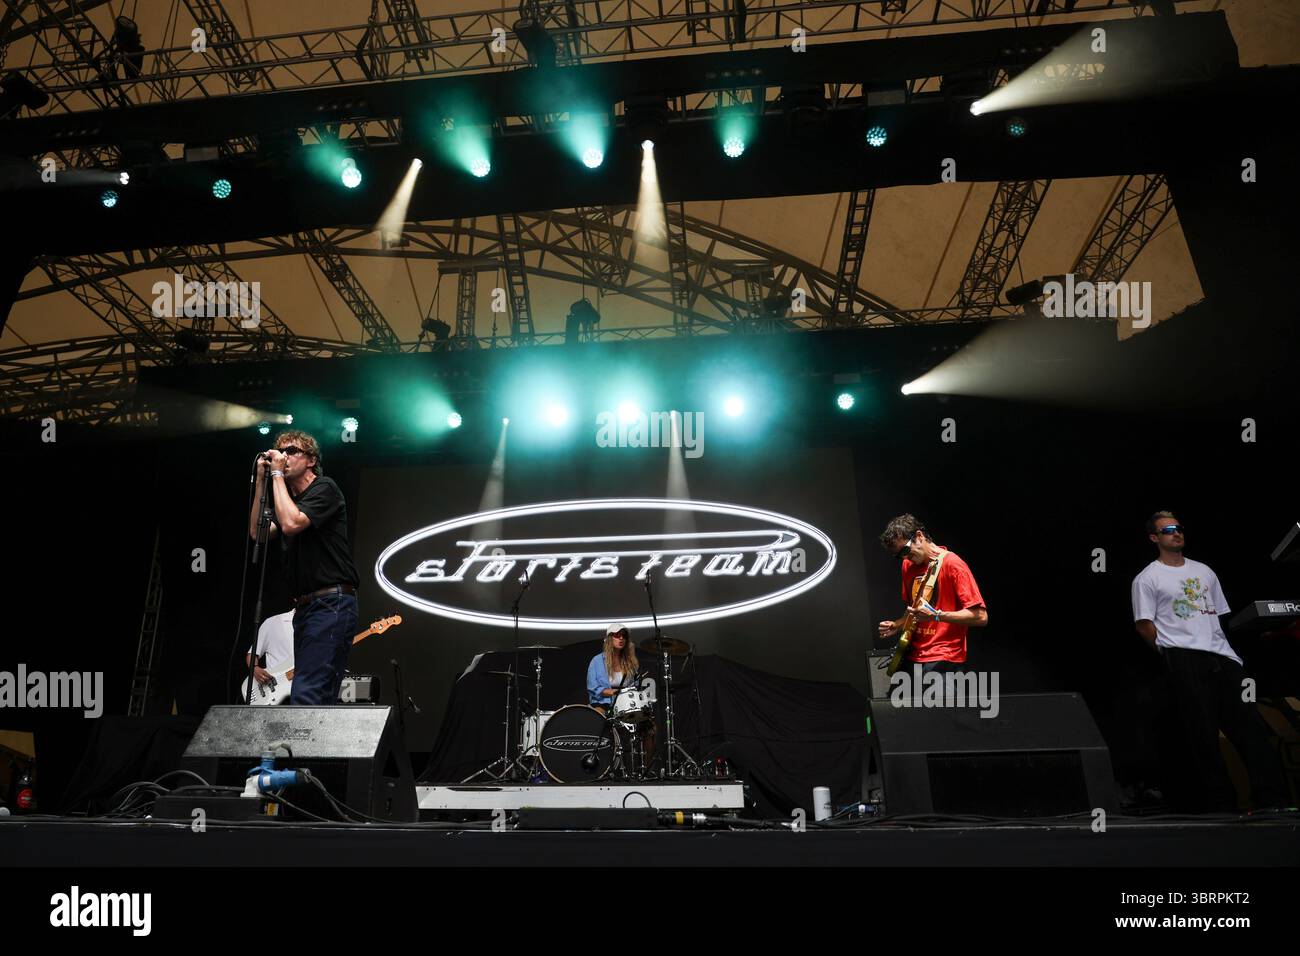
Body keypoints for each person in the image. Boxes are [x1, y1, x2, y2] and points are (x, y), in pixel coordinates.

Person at [1131, 511, 1287, 810]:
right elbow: (1143, 624)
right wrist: (1170, 652)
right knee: (1202, 734)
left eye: (1179, 528)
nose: (1177, 533)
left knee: (1251, 729)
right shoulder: (1147, 578)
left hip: (1222, 657)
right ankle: (1222, 807)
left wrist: (1228, 654)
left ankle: (1274, 802)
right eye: (1169, 530)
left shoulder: (1205, 571)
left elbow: (1216, 615)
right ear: (1155, 538)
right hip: (1183, 657)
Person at [248, 430, 360, 705]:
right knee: (313, 692)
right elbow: (258, 533)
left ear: (311, 460)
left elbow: (291, 524)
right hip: (306, 607)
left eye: (292, 451)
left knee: (307, 692)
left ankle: (297, 749)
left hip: (331, 602)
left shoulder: (325, 488)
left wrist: (276, 475)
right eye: (280, 451)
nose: (284, 457)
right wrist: (262, 481)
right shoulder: (290, 501)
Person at [877, 514, 988, 675]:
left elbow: (981, 617)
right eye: (899, 555)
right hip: (912, 657)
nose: (905, 557)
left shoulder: (953, 564)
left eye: (906, 550)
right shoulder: (908, 566)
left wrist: (937, 615)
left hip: (944, 659)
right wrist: (898, 624)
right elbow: (914, 608)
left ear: (919, 536)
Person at [587, 624, 639, 712]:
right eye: (617, 635)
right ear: (609, 639)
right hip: (603, 703)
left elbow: (635, 685)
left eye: (624, 636)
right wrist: (613, 692)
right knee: (598, 718)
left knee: (649, 724)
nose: (621, 638)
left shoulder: (631, 662)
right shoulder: (597, 661)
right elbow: (593, 688)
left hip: (626, 703)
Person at [244, 609, 295, 696]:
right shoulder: (273, 622)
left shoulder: (320, 625)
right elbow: (252, 654)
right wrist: (255, 668)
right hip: (273, 691)